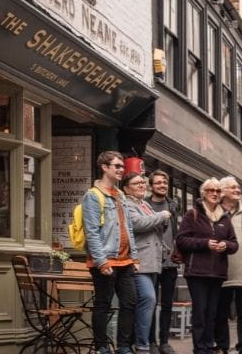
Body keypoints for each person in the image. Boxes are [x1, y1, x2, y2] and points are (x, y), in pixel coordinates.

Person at [82, 151, 138, 354]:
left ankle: (123, 346)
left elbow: (128, 227)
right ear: (105, 167)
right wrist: (101, 261)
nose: (121, 170)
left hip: (125, 261)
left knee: (130, 302)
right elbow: (92, 231)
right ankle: (102, 347)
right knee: (103, 304)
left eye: (122, 166)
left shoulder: (121, 195)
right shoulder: (93, 196)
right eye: (117, 166)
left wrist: (135, 256)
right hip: (105, 261)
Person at [176, 178, 238, 354]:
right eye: (211, 190)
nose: (214, 193)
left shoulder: (225, 217)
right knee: (200, 313)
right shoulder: (192, 214)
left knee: (212, 314)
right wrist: (204, 243)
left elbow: (234, 244)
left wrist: (226, 245)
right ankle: (199, 349)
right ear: (203, 193)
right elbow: (181, 240)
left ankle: (209, 347)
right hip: (197, 272)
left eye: (218, 191)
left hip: (217, 273)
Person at [123, 172, 171, 354]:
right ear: (126, 188)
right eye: (137, 183)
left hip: (153, 261)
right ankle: (141, 345)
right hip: (138, 261)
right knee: (148, 299)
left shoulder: (144, 204)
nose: (142, 185)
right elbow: (137, 223)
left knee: (147, 302)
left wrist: (161, 219)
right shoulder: (127, 204)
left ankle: (139, 343)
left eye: (143, 183)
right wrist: (162, 215)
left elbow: (156, 226)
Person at [215, 176, 242, 354]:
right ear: (222, 192)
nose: (238, 190)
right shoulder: (213, 213)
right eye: (232, 188)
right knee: (220, 312)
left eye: (238, 187)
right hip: (220, 272)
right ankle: (222, 346)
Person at [145, 170, 179, 354]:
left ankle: (164, 341)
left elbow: (175, 231)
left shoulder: (173, 205)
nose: (162, 185)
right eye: (158, 183)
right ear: (151, 185)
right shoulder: (145, 205)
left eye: (164, 183)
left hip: (170, 262)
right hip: (150, 261)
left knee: (167, 304)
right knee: (150, 302)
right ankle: (151, 341)